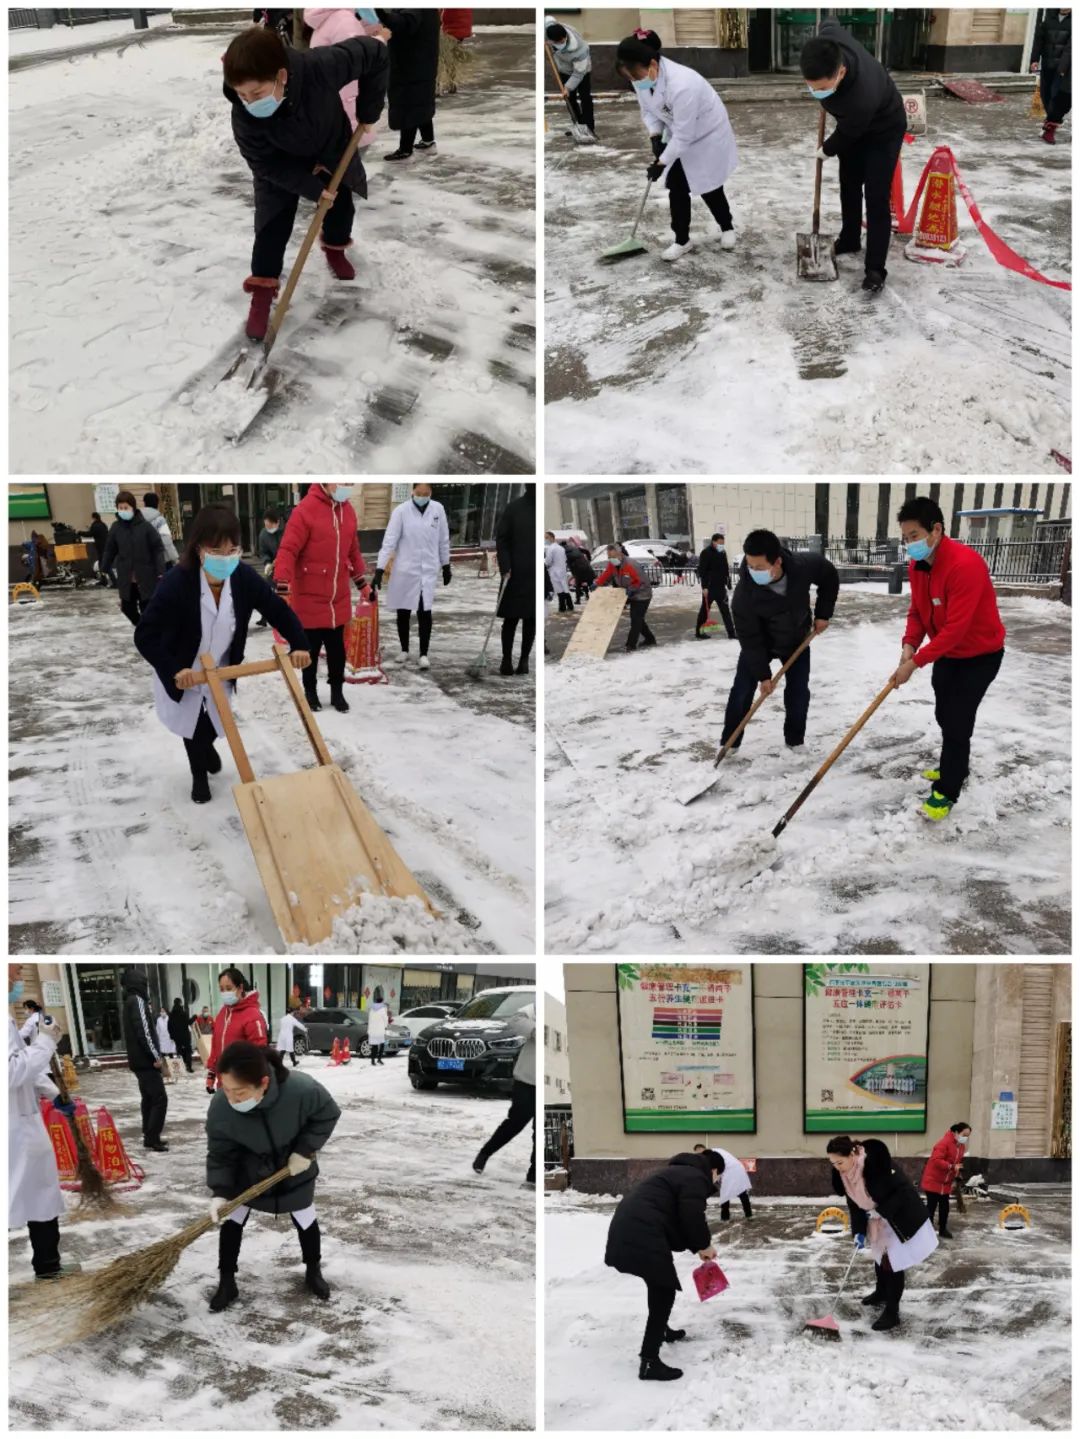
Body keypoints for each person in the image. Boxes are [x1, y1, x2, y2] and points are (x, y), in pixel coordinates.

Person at [135, 504, 311, 805]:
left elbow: (275, 608)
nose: (226, 556)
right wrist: (173, 670)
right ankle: (199, 775)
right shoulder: (179, 582)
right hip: (184, 665)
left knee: (215, 720)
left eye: (233, 548)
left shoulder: (242, 577)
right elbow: (144, 634)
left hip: (221, 665)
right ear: (200, 548)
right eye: (218, 549)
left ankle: (206, 746)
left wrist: (299, 643)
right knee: (191, 720)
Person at [222, 25, 389, 340]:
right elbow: (263, 163)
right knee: (271, 224)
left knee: (340, 207)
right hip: (279, 164)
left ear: (281, 76)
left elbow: (376, 52)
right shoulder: (242, 114)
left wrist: (369, 110)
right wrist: (311, 188)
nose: (248, 102)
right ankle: (262, 290)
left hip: (328, 146)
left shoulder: (322, 66)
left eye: (256, 93)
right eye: (242, 94)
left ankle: (335, 248)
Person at [889, 497, 1006, 820]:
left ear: (936, 530)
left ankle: (949, 787)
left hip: (981, 655)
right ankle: (954, 762)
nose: (909, 544)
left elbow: (956, 628)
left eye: (914, 536)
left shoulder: (964, 565)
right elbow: (917, 611)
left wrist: (914, 664)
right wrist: (909, 645)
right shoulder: (918, 564)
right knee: (944, 713)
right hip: (948, 653)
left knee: (957, 720)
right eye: (905, 538)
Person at [206, 1042, 341, 1311]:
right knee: (232, 1221)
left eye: (240, 1092)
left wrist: (304, 1151)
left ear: (264, 1082)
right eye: (227, 1089)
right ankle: (226, 1281)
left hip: (294, 1169)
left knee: (305, 1219)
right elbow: (221, 1152)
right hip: (248, 1173)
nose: (231, 1099)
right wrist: (220, 1191)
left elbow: (328, 1114)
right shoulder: (222, 1106)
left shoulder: (302, 1090)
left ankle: (313, 1270)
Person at [799, 20, 907, 294]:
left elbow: (848, 133)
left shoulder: (861, 96)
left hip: (884, 129)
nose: (816, 92)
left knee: (875, 195)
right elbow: (829, 24)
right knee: (849, 183)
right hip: (853, 126)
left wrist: (826, 149)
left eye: (821, 88)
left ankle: (875, 269)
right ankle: (849, 238)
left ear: (842, 72)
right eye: (812, 87)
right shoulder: (829, 40)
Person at [615, 35, 738, 262]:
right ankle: (682, 240)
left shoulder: (683, 85)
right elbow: (649, 110)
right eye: (630, 77)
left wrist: (661, 162)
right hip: (680, 134)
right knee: (677, 188)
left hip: (706, 135)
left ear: (652, 64)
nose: (634, 81)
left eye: (636, 75)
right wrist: (654, 136)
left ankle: (727, 226)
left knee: (709, 185)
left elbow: (684, 135)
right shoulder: (642, 77)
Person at [604, 1149, 724, 1381]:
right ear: (714, 1170)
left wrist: (697, 1247)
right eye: (718, 1176)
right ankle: (649, 1362)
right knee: (663, 1290)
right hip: (641, 1232)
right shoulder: (696, 1178)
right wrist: (704, 1244)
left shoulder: (676, 1172)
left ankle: (663, 1330)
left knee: (658, 1283)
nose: (716, 1181)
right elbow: (691, 1215)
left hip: (630, 1228)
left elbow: (676, 1217)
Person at [721, 530, 838, 753]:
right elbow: (750, 639)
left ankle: (795, 740)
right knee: (742, 689)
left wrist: (823, 613)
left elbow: (829, 576)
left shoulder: (802, 567)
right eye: (749, 565)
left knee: (798, 691)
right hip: (761, 644)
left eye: (759, 567)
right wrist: (763, 676)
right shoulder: (744, 595)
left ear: (778, 561)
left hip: (796, 639)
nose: (752, 571)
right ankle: (730, 742)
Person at [9, 966, 79, 1281]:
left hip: (23, 1123)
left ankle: (48, 1265)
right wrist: (47, 1043)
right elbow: (12, 1072)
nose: (18, 972)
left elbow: (23, 1065)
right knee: (32, 1195)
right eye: (12, 969)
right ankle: (48, 1265)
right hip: (13, 1128)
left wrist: (53, 1093)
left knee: (42, 1196)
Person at [827, 1135, 937, 1332]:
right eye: (833, 1163)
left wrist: (881, 1210)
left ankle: (892, 1312)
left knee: (892, 1264)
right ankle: (881, 1292)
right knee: (880, 1257)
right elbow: (855, 1205)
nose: (837, 1167)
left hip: (898, 1217)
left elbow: (903, 1191)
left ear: (852, 1154)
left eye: (840, 1162)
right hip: (877, 1220)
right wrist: (858, 1231)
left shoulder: (876, 1166)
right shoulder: (845, 1176)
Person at [273, 483, 367, 712]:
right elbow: (288, 550)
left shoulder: (348, 510)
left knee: (337, 653)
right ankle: (311, 692)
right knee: (310, 653)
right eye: (340, 482)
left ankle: (337, 692)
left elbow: (353, 550)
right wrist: (283, 585)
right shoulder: (305, 510)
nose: (346, 487)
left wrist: (362, 583)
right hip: (309, 597)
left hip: (338, 597)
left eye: (349, 483)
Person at [372, 483, 451, 670]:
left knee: (425, 612)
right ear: (412, 492)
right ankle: (404, 649)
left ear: (431, 492)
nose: (422, 496)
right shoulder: (401, 511)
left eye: (426, 493)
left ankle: (424, 653)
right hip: (405, 570)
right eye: (419, 493)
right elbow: (390, 540)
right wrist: (379, 569)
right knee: (404, 611)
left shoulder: (438, 509)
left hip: (428, 570)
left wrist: (446, 565)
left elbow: (443, 539)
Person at [472, 1004, 536, 1185]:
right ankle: (485, 1154)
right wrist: (535, 1030)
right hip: (526, 1079)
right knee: (514, 1123)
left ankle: (534, 1175)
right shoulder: (537, 1008)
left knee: (539, 1131)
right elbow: (516, 1020)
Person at [305, 7, 385, 146]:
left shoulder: (331, 17)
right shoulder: (344, 20)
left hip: (331, 101)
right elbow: (356, 58)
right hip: (346, 107)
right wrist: (381, 40)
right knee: (348, 159)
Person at [376, 8, 440, 161]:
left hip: (410, 65)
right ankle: (428, 141)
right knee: (421, 103)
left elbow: (404, 22)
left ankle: (405, 149)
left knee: (408, 105)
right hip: (421, 62)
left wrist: (380, 13)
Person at [120, 967, 168, 1152]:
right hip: (146, 1061)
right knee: (159, 1099)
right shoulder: (137, 1001)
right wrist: (156, 1056)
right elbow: (145, 1032)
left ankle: (149, 1136)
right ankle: (153, 1136)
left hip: (138, 1060)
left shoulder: (129, 1001)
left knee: (148, 1098)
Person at [102, 489, 165, 626]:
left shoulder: (146, 527)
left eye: (126, 507)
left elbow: (158, 548)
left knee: (147, 608)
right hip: (126, 577)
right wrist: (105, 566)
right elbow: (110, 549)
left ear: (133, 507)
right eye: (120, 508)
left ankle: (148, 631)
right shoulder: (116, 528)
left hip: (146, 576)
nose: (123, 510)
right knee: (127, 608)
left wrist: (160, 570)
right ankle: (142, 626)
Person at [206, 968, 269, 1096]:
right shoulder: (222, 1014)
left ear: (240, 988)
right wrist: (212, 1074)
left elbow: (259, 1052)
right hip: (223, 1085)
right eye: (222, 989)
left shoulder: (252, 1015)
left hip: (243, 1086)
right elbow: (216, 1046)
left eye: (229, 988)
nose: (225, 993)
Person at [495, 488, 536, 676]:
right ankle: (506, 660)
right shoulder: (514, 508)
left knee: (531, 620)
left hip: (535, 574)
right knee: (511, 620)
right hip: (514, 573)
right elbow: (502, 540)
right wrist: (506, 566)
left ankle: (524, 659)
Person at [595, 544, 656, 652]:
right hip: (629, 592)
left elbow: (640, 581)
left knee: (636, 619)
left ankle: (630, 645)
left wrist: (633, 588)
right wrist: (597, 583)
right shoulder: (612, 565)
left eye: (613, 557)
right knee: (638, 619)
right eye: (609, 557)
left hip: (642, 594)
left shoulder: (631, 564)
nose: (611, 559)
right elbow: (606, 575)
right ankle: (650, 639)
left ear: (620, 554)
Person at [545, 17, 594, 136]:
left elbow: (578, 73)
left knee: (585, 98)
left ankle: (589, 128)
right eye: (557, 42)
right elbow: (548, 19)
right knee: (569, 98)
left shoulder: (579, 49)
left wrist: (568, 87)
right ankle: (578, 125)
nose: (560, 44)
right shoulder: (547, 31)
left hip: (582, 71)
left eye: (562, 41)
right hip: (564, 70)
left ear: (565, 36)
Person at [920, 1121, 970, 1239]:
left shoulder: (961, 1147)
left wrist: (957, 1172)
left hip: (945, 1182)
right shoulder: (944, 1143)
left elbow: (957, 1162)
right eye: (964, 1135)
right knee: (931, 1206)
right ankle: (927, 1231)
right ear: (956, 1132)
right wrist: (952, 1167)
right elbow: (936, 1160)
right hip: (933, 1180)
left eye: (968, 1136)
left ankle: (942, 1229)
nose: (966, 1138)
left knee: (945, 1207)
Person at [1031, 9, 1072, 143]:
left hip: (1065, 69)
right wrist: (1034, 60)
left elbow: (1070, 49)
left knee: (1058, 97)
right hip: (1048, 65)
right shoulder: (1048, 22)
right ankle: (1050, 123)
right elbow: (1039, 42)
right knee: (1046, 95)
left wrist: (1063, 68)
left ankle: (1050, 127)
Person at [693, 1142, 752, 1219]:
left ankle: (725, 1218)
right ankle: (749, 1214)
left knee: (726, 1196)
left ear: (703, 1149)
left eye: (699, 1153)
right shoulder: (716, 1150)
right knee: (741, 1192)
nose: (700, 1156)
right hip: (737, 1169)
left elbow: (715, 1171)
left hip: (731, 1172)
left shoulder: (711, 1155)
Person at [695, 532, 734, 640]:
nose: (722, 545)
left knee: (725, 611)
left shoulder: (722, 552)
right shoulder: (706, 553)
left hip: (721, 587)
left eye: (723, 543)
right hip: (710, 588)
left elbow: (725, 568)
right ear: (714, 542)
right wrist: (704, 587)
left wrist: (728, 581)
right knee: (704, 610)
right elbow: (702, 571)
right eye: (720, 543)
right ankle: (699, 632)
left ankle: (731, 633)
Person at [255, 509, 284, 627]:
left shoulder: (288, 530)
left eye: (270, 525)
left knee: (283, 592)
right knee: (265, 590)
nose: (268, 527)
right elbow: (263, 552)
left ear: (277, 522)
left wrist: (282, 559)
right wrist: (267, 562)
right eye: (266, 524)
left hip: (286, 567)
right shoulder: (263, 534)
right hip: (273, 566)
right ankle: (265, 617)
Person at [438, 8, 472, 96]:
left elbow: (442, 15)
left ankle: (437, 88)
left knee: (440, 57)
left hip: (453, 29)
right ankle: (451, 84)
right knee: (450, 57)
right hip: (460, 29)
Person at [142, 493, 179, 569]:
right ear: (157, 504)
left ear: (144, 503)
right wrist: (175, 558)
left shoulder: (138, 519)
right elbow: (166, 541)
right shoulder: (160, 520)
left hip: (144, 561)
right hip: (161, 560)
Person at [545, 532, 573, 615]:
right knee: (565, 588)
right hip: (562, 570)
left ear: (552, 538)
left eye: (547, 537)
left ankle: (562, 607)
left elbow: (548, 561)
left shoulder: (551, 549)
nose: (545, 540)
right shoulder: (561, 548)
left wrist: (546, 565)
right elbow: (564, 559)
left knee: (559, 590)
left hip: (554, 571)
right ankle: (570, 605)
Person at [156, 1007, 183, 1084]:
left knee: (171, 1057)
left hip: (170, 1040)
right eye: (161, 1011)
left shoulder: (170, 1018)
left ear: (166, 1011)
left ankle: (173, 1073)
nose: (162, 1012)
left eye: (163, 1011)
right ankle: (165, 1074)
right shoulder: (158, 1020)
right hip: (162, 1041)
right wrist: (157, 1039)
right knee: (163, 1057)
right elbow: (157, 1030)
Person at [169, 997, 195, 1075]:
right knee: (188, 1051)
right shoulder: (183, 1013)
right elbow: (188, 1022)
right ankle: (189, 1067)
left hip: (177, 1037)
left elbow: (169, 1026)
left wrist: (172, 1036)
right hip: (185, 1036)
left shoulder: (171, 1014)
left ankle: (181, 1067)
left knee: (179, 1051)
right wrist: (194, 1017)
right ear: (180, 1003)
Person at [564, 538, 595, 606]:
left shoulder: (564, 552)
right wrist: (589, 560)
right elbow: (586, 551)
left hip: (578, 570)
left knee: (578, 585)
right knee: (590, 583)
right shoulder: (575, 548)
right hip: (586, 567)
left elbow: (565, 563)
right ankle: (595, 598)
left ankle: (578, 600)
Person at [367, 987, 391, 1065]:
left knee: (374, 1046)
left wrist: (369, 1030)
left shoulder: (371, 1009)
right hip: (380, 1031)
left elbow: (369, 1020)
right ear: (382, 1001)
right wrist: (386, 1026)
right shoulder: (383, 1009)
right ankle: (379, 1059)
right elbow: (385, 1019)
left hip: (373, 1030)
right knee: (382, 1045)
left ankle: (372, 1060)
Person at [88, 511, 110, 585]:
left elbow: (90, 533)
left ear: (94, 518)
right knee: (104, 563)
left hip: (100, 547)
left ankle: (104, 580)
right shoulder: (103, 524)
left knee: (102, 564)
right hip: (106, 546)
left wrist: (79, 533)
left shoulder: (95, 525)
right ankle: (105, 580)